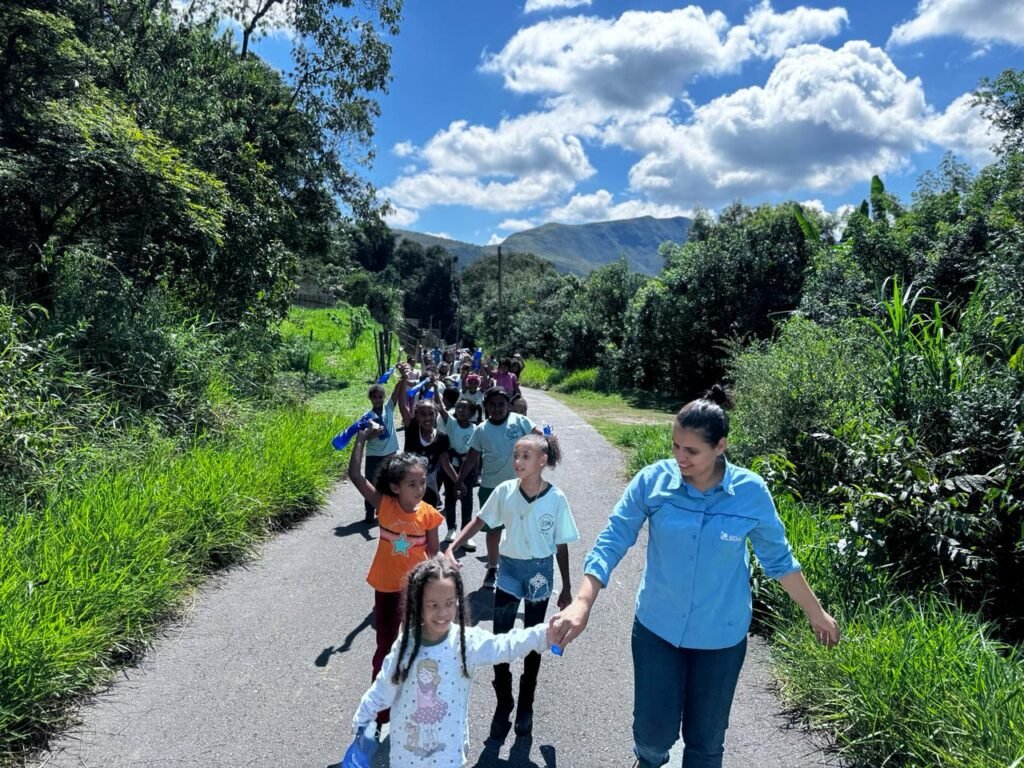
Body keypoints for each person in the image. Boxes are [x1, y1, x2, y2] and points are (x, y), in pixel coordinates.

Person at [548, 385, 841, 768]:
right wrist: (583, 601)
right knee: (652, 739)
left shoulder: (750, 493)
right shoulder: (654, 482)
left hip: (721, 637)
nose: (679, 458)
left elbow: (779, 560)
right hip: (658, 629)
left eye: (692, 451)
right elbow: (613, 538)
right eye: (675, 446)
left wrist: (817, 614)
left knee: (706, 744)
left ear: (720, 446)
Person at [347, 556, 556, 767]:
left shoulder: (466, 643)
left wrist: (545, 633)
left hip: (448, 756)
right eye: (433, 605)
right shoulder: (406, 645)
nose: (442, 612)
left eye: (449, 603)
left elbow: (506, 645)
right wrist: (361, 722)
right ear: (418, 604)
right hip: (406, 756)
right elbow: (383, 688)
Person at [445, 433, 577, 742]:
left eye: (525, 456)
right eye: (515, 456)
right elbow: (479, 521)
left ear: (542, 461)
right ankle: (503, 703)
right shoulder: (505, 491)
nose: (517, 462)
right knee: (501, 638)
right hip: (509, 571)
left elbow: (561, 545)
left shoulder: (556, 499)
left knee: (534, 638)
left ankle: (525, 705)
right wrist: (453, 546)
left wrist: (567, 588)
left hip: (539, 575)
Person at [348, 429, 444, 730]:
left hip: (416, 592)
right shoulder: (385, 506)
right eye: (411, 484)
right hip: (387, 590)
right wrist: (361, 440)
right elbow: (355, 476)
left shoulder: (429, 515)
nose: (419, 488)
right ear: (395, 486)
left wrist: (445, 568)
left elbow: (433, 552)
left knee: (416, 646)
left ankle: (413, 699)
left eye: (422, 482)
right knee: (385, 647)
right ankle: (381, 711)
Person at [453, 387, 543, 589]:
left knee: (519, 528)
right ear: (486, 406)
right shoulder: (482, 430)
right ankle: (492, 568)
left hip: (521, 487)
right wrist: (459, 480)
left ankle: (519, 567)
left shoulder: (520, 421)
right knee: (493, 530)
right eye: (492, 404)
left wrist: (548, 439)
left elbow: (539, 436)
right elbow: (471, 459)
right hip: (491, 488)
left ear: (508, 405)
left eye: (501, 404)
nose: (497, 408)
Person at [362, 366, 409, 525]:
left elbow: (397, 392)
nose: (378, 399)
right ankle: (369, 511)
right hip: (374, 454)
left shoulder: (389, 408)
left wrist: (403, 377)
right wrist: (373, 433)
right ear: (371, 399)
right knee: (371, 482)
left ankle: (389, 510)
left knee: (390, 483)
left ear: (384, 397)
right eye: (374, 397)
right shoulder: (367, 417)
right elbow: (364, 437)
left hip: (390, 452)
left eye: (380, 396)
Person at [403, 399, 457, 533]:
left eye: (430, 413)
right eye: (422, 414)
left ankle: (427, 550)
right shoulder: (412, 431)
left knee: (427, 524)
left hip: (429, 489)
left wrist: (458, 482)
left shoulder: (442, 438)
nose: (427, 418)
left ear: (436, 415)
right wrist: (403, 381)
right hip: (408, 488)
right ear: (416, 416)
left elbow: (446, 464)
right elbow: (402, 406)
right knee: (409, 522)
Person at [436, 397, 480, 552]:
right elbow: (441, 408)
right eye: (458, 407)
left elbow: (477, 452)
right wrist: (435, 388)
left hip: (467, 471)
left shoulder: (475, 428)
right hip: (451, 468)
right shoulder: (452, 423)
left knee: (467, 500)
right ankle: (451, 528)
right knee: (450, 498)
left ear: (472, 412)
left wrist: (476, 471)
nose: (460, 411)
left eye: (464, 408)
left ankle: (466, 533)